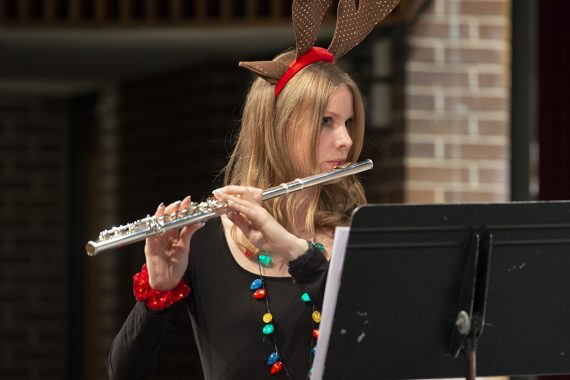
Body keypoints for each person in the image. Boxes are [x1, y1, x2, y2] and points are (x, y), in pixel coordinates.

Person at [107, 1, 399, 379]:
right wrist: (158, 294)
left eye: (348, 122)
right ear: (276, 129)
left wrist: (294, 251)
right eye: (326, 122)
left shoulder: (356, 234)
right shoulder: (205, 241)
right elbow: (124, 372)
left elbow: (382, 340)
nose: (345, 140)